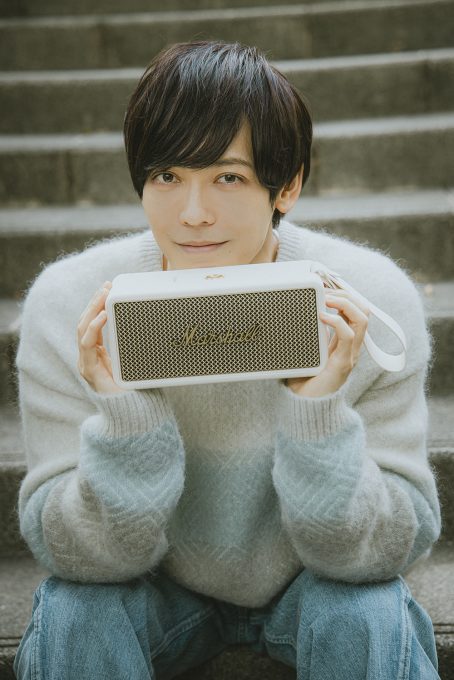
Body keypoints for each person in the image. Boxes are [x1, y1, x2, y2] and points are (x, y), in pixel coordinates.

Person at [13, 41, 441, 680]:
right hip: (155, 586)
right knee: (75, 612)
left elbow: (393, 544)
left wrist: (317, 416)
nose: (193, 214)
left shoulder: (367, 300)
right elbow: (72, 555)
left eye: (228, 177)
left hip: (313, 584)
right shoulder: (68, 304)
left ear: (287, 186)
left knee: (368, 612)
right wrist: (127, 422)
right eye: (167, 176)